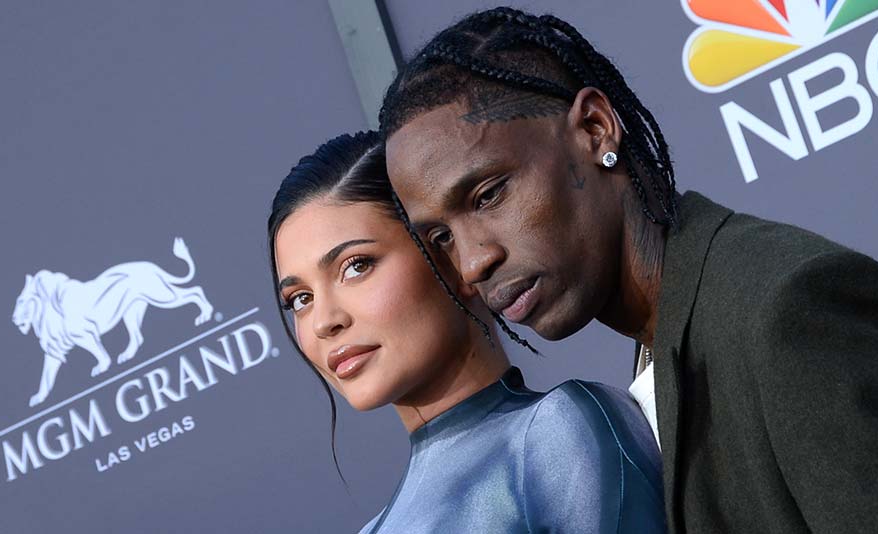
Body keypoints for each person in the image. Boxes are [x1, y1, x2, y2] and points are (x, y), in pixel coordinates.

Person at [377, 7, 878, 533]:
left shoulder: (786, 311)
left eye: (488, 196)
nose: (474, 260)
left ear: (594, 129)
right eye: (441, 238)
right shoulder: (661, 353)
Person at [267, 131, 665, 533]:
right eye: (300, 299)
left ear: (448, 254)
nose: (323, 321)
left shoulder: (554, 435)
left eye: (356, 266)